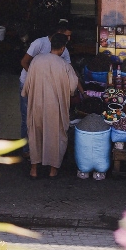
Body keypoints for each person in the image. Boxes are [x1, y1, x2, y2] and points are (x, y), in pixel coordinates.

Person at [22, 32, 79, 179]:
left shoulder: (36, 61)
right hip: (56, 107)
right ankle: (53, 170)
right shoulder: (64, 65)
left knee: (35, 135)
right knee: (56, 136)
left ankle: (33, 169)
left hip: (37, 106)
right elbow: (73, 88)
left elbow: (27, 86)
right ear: (62, 48)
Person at [19, 21, 75, 153]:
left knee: (40, 118)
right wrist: (36, 78)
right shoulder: (39, 43)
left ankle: (40, 150)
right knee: (27, 117)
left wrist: (82, 90)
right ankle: (27, 150)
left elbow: (69, 69)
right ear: (59, 33)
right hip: (28, 83)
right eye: (67, 35)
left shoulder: (63, 49)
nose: (69, 39)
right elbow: (24, 62)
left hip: (44, 86)